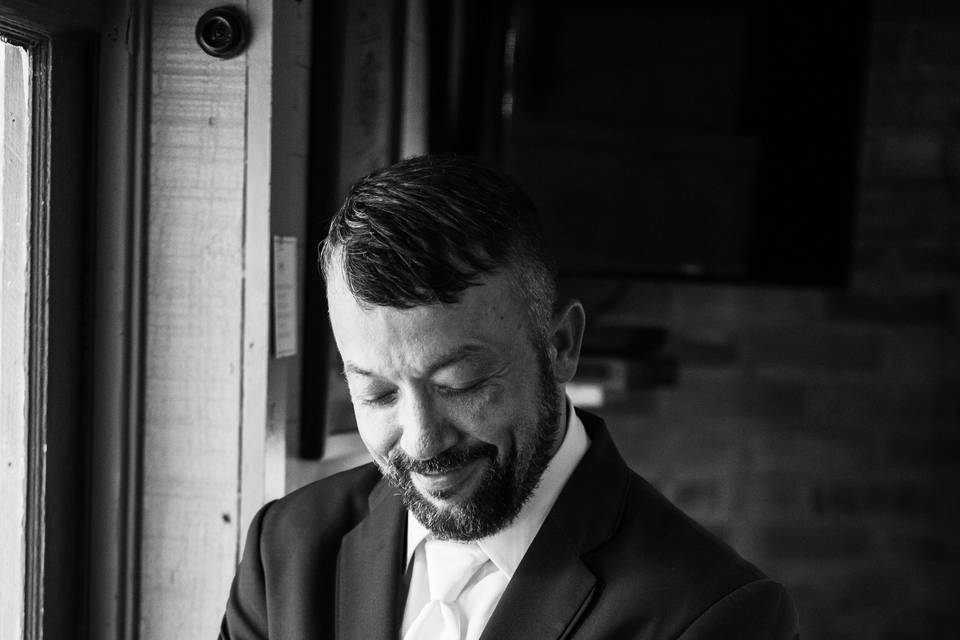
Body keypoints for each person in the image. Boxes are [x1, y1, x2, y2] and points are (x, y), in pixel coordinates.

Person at [220, 154, 798, 639]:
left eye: (462, 383)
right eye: (377, 393)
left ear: (562, 347)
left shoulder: (717, 616)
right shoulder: (284, 551)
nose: (422, 442)